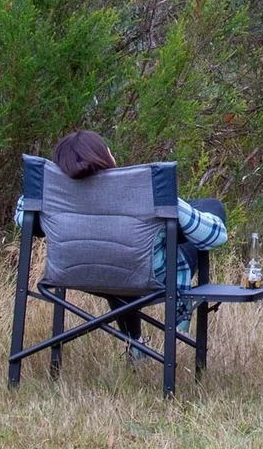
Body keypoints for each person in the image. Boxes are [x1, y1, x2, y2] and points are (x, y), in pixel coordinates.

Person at [14, 130, 229, 357]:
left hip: (77, 274)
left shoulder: (47, 194)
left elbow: (22, 220)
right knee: (210, 207)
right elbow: (214, 237)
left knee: (113, 258)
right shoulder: (144, 189)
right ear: (105, 155)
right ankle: (181, 307)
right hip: (145, 276)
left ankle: (135, 345)